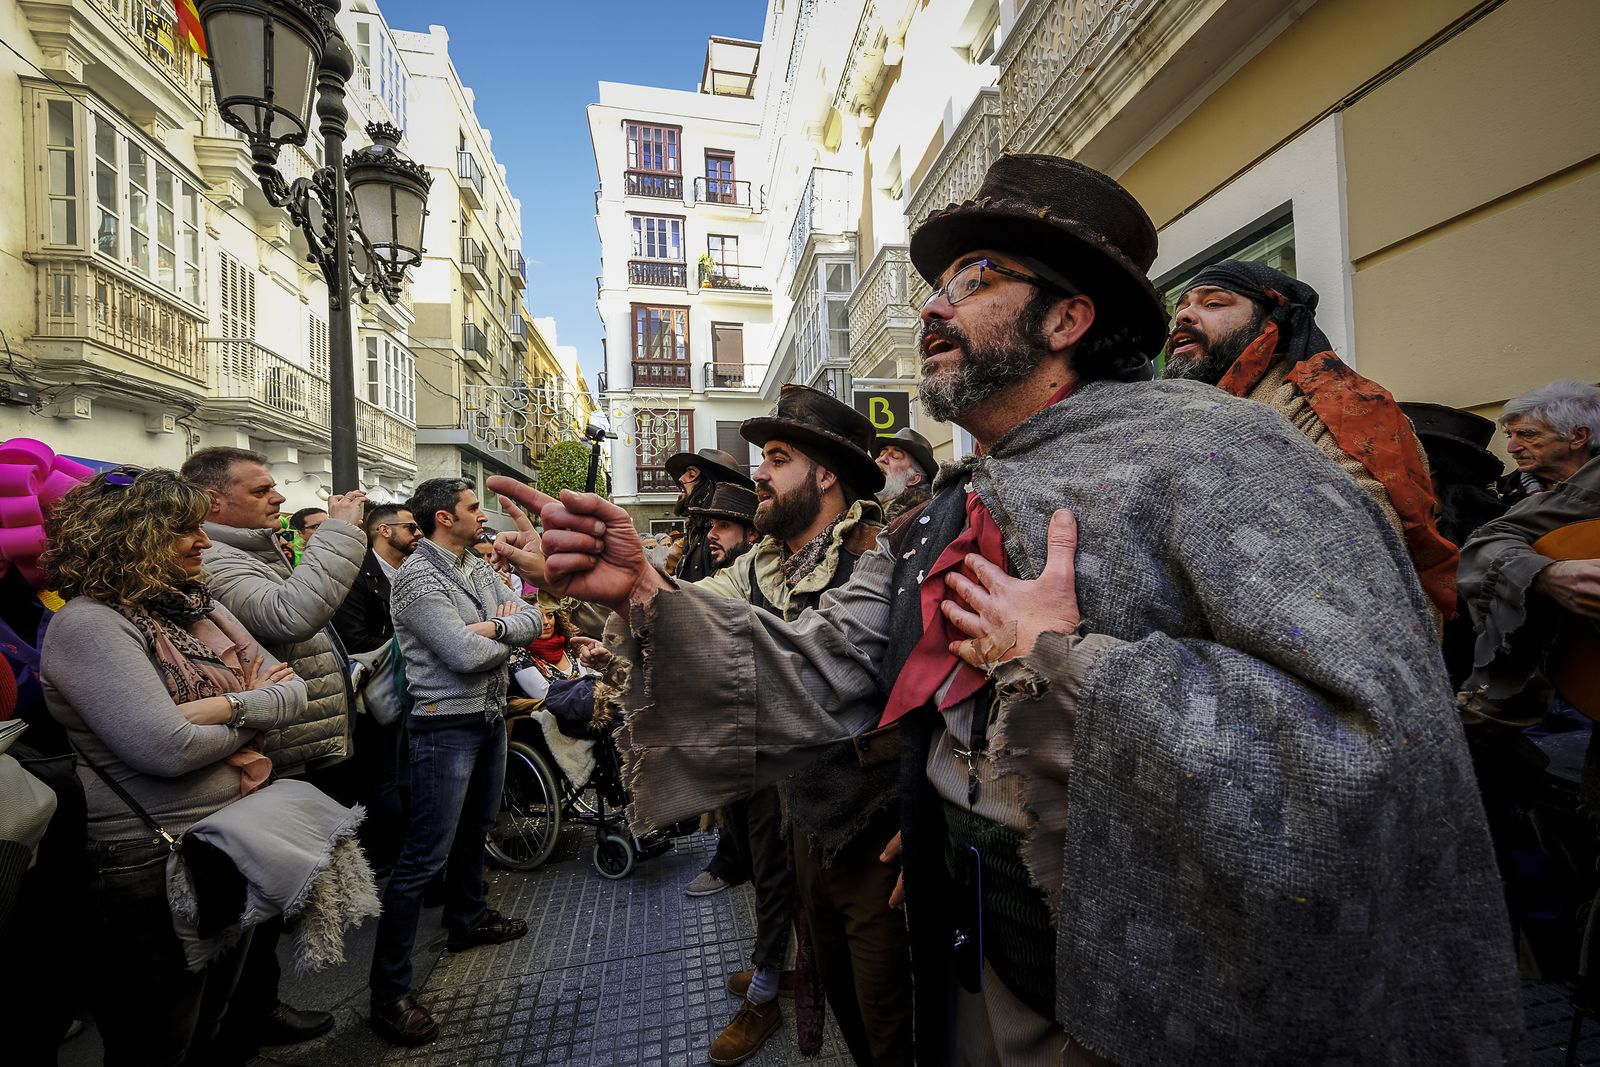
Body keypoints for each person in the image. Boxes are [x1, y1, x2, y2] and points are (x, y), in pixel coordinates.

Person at [495, 154, 1523, 1064]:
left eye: (977, 279)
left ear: (1067, 319)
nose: (934, 308)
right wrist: (646, 593)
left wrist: (1069, 658)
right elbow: (825, 666)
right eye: (938, 285)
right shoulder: (952, 505)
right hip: (980, 948)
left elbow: (1377, 739)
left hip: (1163, 990)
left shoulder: (1225, 454)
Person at [40, 467, 307, 1066]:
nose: (204, 541)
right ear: (129, 535)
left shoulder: (196, 606)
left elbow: (296, 694)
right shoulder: (89, 624)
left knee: (212, 1021)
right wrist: (254, 704)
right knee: (159, 1042)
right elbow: (167, 749)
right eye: (184, 530)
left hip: (225, 837)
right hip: (147, 859)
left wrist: (225, 708)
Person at [693, 385, 909, 1067]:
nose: (758, 473)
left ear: (824, 476)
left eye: (778, 458)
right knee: (846, 1005)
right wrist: (608, 585)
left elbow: (931, 699)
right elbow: (690, 608)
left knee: (893, 1029)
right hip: (809, 828)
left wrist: (928, 817)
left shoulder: (881, 557)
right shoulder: (761, 566)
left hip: (880, 842)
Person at [178, 446, 366, 1050]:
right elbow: (290, 616)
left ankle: (254, 1007)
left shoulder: (249, 550)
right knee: (254, 898)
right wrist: (338, 533)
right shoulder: (218, 559)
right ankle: (246, 1017)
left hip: (295, 739)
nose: (279, 497)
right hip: (271, 752)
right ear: (213, 502)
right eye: (261, 490)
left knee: (268, 899)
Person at [1164, 261, 1457, 622]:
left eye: (1213, 304)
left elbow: (1361, 553)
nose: (1184, 317)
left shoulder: (1338, 403)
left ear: (1269, 320)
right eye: (1181, 308)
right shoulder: (1188, 413)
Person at [369, 477, 541, 1046]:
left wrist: (495, 627)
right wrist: (505, 634)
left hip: (487, 716)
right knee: (424, 856)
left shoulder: (474, 566)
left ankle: (468, 919)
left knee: (475, 828)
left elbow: (532, 622)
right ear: (444, 517)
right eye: (472, 507)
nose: (482, 514)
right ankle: (389, 993)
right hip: (444, 724)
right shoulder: (419, 578)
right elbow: (461, 654)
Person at [331, 503, 421, 870]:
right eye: (411, 527)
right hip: (376, 694)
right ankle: (396, 860)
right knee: (384, 776)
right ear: (384, 531)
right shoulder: (357, 575)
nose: (418, 533)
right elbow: (354, 639)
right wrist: (415, 643)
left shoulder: (413, 571)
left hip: (412, 688)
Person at [1495, 379, 1600, 502]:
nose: (1511, 448)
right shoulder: (1496, 496)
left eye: (1527, 434)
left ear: (1578, 437)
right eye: (1509, 436)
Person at [666, 448, 757, 581]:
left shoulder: (729, 538)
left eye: (691, 475)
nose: (681, 478)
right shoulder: (695, 533)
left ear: (710, 485)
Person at [874, 427, 938, 523]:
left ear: (913, 479)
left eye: (894, 456)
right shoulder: (858, 506)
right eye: (881, 454)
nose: (882, 459)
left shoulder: (920, 519)